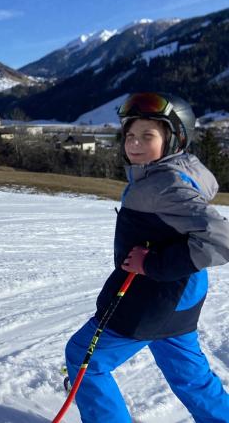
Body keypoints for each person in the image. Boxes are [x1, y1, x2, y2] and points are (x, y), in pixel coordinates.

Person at [64, 92, 229, 422]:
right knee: (191, 377)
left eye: (147, 136)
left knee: (85, 357)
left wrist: (151, 264)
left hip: (152, 300)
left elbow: (222, 240)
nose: (134, 144)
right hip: (179, 298)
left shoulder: (164, 183)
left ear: (174, 139)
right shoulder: (176, 172)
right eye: (130, 135)